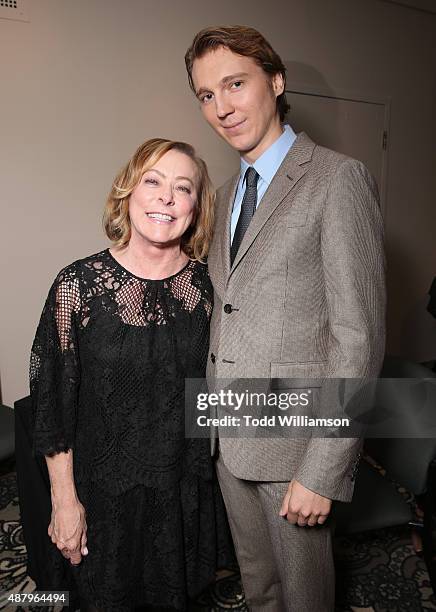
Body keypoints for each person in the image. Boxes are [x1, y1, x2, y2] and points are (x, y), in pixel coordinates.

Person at [185, 26, 386, 611]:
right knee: (259, 589)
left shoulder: (337, 179)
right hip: (228, 435)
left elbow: (359, 337)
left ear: (276, 81)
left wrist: (325, 466)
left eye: (235, 84)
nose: (221, 107)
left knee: (304, 599)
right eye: (205, 95)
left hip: (296, 447)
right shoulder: (221, 197)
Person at [30, 138, 231, 611]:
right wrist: (64, 501)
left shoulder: (211, 290)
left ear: (195, 209)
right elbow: (52, 405)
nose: (166, 197)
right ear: (127, 193)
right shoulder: (77, 286)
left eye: (183, 188)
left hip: (182, 494)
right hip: (102, 498)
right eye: (153, 181)